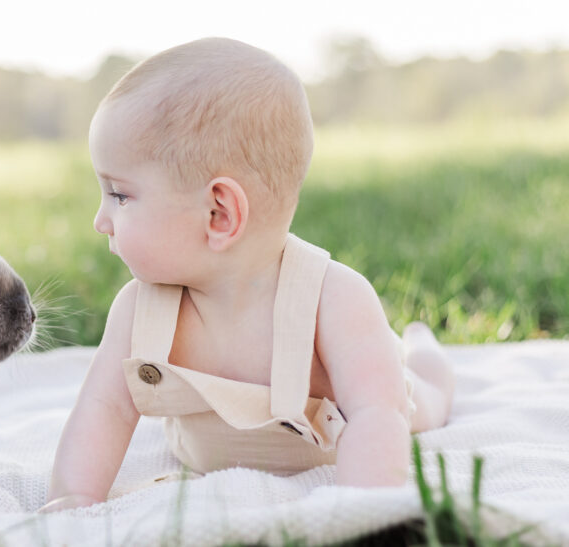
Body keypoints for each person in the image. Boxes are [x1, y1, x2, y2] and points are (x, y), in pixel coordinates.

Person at [44, 37, 454, 511]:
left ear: (219, 214)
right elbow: (105, 409)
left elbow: (377, 414)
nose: (101, 220)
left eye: (119, 195)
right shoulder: (140, 311)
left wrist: (360, 511)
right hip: (203, 455)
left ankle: (424, 351)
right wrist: (75, 496)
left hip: (389, 397)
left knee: (425, 391)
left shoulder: (334, 299)